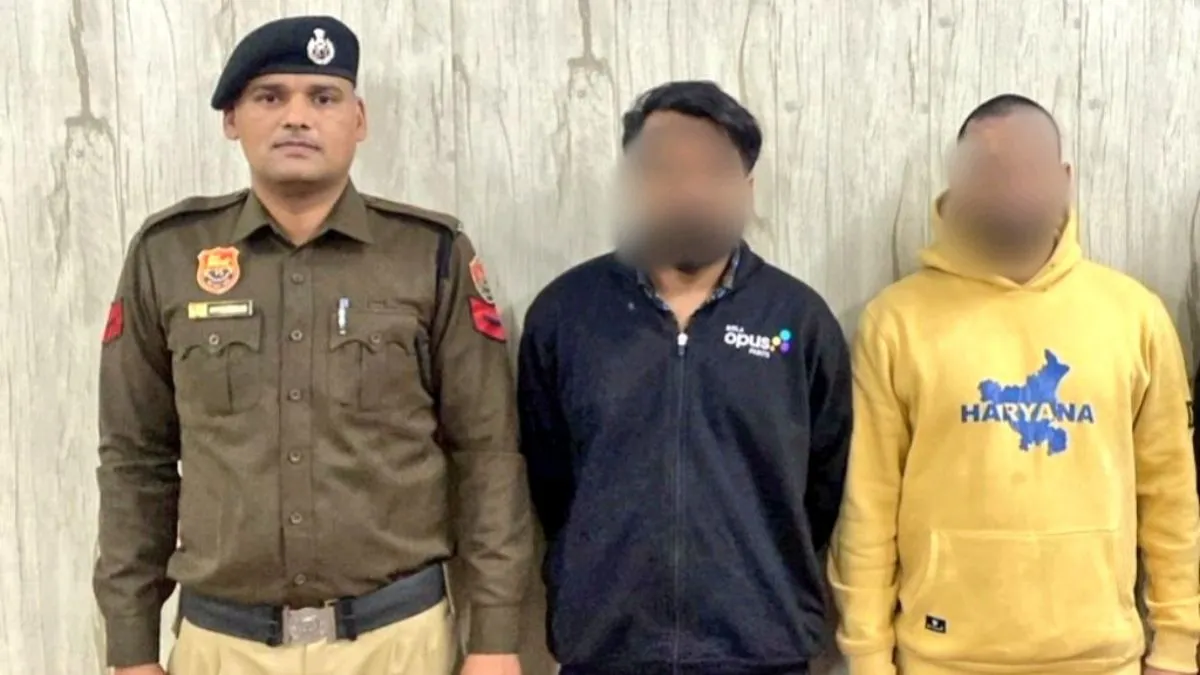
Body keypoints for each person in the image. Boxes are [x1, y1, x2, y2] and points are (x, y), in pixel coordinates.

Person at [93, 15, 532, 675]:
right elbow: (135, 460)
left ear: (359, 119)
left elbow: (487, 454)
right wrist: (130, 648)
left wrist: (495, 640)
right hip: (223, 647)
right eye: (270, 96)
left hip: (398, 643)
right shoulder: (169, 255)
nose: (297, 116)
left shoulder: (430, 255)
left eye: (323, 97)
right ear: (232, 119)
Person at [829, 94, 1200, 675]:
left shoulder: (1135, 316)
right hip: (940, 659)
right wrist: (868, 657)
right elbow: (868, 504)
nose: (1011, 192)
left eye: (1029, 169)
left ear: (1064, 179)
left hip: (1101, 660)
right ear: (956, 186)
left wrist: (1177, 646)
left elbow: (1171, 495)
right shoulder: (896, 321)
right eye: (989, 172)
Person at [517, 80, 853, 675]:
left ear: (747, 189)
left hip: (762, 650)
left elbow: (822, 487)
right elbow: (550, 480)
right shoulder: (566, 313)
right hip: (607, 648)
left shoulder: (797, 320)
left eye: (714, 171)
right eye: (666, 170)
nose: (691, 191)